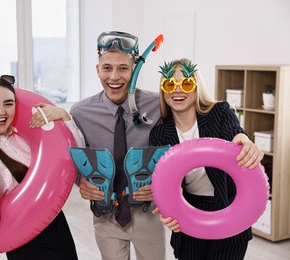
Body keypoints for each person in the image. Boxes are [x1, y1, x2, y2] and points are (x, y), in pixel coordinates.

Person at [150, 58, 264, 260]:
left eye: (186, 83)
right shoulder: (159, 133)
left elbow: (235, 133)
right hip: (188, 212)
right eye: (170, 84)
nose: (178, 90)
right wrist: (166, 209)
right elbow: (163, 181)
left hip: (229, 208)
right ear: (163, 90)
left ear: (196, 86)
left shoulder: (219, 112)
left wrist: (245, 142)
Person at [0, 73, 84, 260]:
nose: (1, 111)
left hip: (56, 226)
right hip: (25, 242)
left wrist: (64, 116)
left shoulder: (24, 139)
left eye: (8, 103)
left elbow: (77, 158)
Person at [70, 31, 166, 260]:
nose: (114, 76)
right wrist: (80, 182)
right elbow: (73, 161)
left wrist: (162, 186)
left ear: (134, 70)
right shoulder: (81, 113)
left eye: (123, 68)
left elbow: (176, 151)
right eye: (107, 68)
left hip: (147, 214)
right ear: (98, 70)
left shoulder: (159, 106)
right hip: (106, 216)